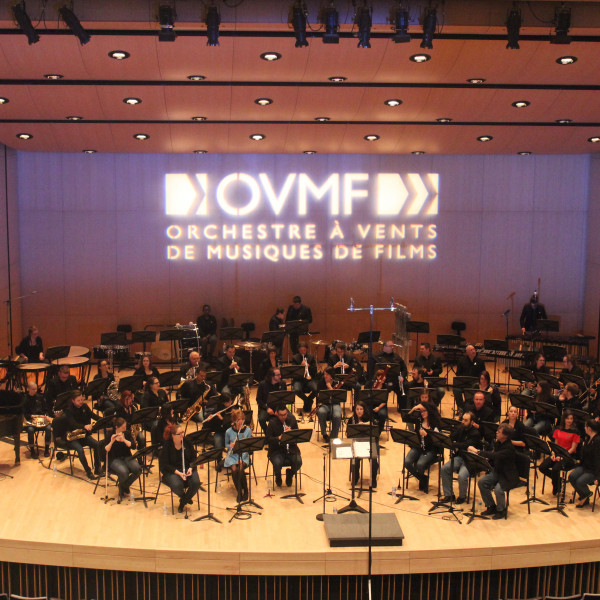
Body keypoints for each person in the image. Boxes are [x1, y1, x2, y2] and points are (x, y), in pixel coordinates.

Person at [470, 423, 520, 519]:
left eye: (499, 432)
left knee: (498, 489)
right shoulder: (498, 443)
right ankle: (491, 506)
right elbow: (493, 455)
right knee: (482, 482)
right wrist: (488, 459)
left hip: (508, 475)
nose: (496, 432)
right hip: (498, 471)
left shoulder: (509, 448)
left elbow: (495, 455)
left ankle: (501, 510)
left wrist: (477, 451)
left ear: (505, 436)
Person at [440, 411, 482, 504]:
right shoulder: (461, 428)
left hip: (470, 460)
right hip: (460, 456)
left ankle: (462, 496)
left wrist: (455, 444)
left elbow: (466, 445)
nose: (462, 422)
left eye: (466, 420)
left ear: (472, 422)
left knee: (462, 476)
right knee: (444, 469)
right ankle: (449, 495)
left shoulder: (475, 433)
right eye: (463, 419)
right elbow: (451, 438)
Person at [159, 422, 201, 513]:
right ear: (173, 436)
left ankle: (183, 502)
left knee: (196, 483)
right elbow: (165, 465)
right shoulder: (167, 445)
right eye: (179, 434)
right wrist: (178, 473)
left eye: (182, 432)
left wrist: (191, 468)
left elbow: (194, 457)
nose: (182, 435)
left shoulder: (186, 442)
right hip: (173, 471)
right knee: (177, 485)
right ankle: (186, 498)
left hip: (187, 468)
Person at [539, 409, 580, 496]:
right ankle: (558, 479)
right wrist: (553, 454)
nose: (569, 420)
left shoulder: (575, 432)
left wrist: (563, 456)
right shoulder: (558, 429)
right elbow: (555, 444)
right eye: (568, 418)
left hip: (568, 456)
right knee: (542, 467)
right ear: (564, 419)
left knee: (555, 469)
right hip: (557, 453)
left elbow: (573, 448)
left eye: (571, 418)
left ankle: (556, 486)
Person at [405, 400, 443, 493]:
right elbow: (406, 418)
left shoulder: (435, 424)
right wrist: (414, 409)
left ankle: (422, 482)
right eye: (421, 411)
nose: (422, 413)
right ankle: (423, 478)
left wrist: (427, 435)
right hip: (418, 447)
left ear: (429, 411)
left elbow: (437, 441)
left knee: (420, 464)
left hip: (430, 450)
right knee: (407, 462)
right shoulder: (419, 420)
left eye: (424, 411)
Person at [101, 417, 142, 502]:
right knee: (124, 472)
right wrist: (112, 441)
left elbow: (133, 446)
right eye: (123, 427)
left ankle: (123, 486)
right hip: (114, 459)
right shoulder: (110, 434)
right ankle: (123, 489)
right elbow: (106, 450)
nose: (125, 428)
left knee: (138, 469)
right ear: (117, 427)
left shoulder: (126, 433)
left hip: (127, 457)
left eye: (125, 426)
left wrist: (124, 440)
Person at [64, 389, 101, 480]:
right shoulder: (68, 410)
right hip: (72, 436)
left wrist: (103, 419)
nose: (81, 402)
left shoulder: (84, 406)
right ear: (73, 401)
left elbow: (92, 415)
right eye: (78, 400)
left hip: (82, 435)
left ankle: (97, 469)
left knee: (97, 445)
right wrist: (84, 426)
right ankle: (88, 471)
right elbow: (73, 424)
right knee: (80, 450)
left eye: (82, 399)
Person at [266, 405, 302, 487]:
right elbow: (267, 439)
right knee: (277, 463)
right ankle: (278, 476)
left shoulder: (292, 420)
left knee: (298, 462)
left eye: (285, 414)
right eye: (281, 415)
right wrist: (278, 438)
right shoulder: (272, 423)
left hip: (291, 449)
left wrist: (291, 433)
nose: (284, 417)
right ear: (277, 414)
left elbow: (297, 435)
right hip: (277, 450)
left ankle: (290, 474)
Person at [347, 401, 379, 489]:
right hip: (357, 443)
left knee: (373, 459)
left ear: (364, 410)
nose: (359, 411)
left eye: (361, 409)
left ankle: (373, 479)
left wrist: (365, 424)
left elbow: (376, 430)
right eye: (357, 409)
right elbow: (347, 434)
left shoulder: (369, 418)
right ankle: (356, 477)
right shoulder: (352, 420)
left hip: (369, 443)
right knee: (355, 459)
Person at [568, 420, 600, 508]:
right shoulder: (587, 438)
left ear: (589, 428)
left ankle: (586, 494)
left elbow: (598, 460)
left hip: (594, 470)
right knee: (572, 477)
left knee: (579, 482)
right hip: (585, 466)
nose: (584, 428)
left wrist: (598, 477)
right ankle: (584, 496)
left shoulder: (598, 441)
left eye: (585, 427)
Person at [223, 407, 252, 502]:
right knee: (234, 469)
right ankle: (239, 491)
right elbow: (226, 445)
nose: (241, 422)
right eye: (238, 420)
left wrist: (241, 459)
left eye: (242, 420)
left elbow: (248, 447)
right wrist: (230, 445)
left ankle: (246, 491)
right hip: (232, 455)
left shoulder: (248, 431)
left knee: (240, 468)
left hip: (244, 455)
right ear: (234, 421)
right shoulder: (228, 431)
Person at [370, 339, 408, 408]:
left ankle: (403, 408)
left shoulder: (397, 357)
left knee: (405, 384)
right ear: (384, 347)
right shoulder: (376, 357)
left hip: (395, 380)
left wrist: (402, 376)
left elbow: (404, 369)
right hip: (382, 381)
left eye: (393, 346)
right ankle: (380, 407)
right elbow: (371, 370)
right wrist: (377, 378)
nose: (392, 347)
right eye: (390, 346)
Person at [22, 381, 52, 458]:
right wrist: (32, 416)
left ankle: (46, 449)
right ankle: (32, 450)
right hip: (31, 421)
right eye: (33, 389)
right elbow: (25, 414)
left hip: (41, 420)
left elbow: (46, 409)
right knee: (30, 430)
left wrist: (45, 415)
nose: (35, 391)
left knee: (48, 428)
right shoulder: (25, 399)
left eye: (36, 389)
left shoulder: (40, 397)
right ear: (28, 389)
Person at [455, 345, 486, 413]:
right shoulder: (461, 361)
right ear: (467, 352)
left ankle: (469, 408)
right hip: (463, 384)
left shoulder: (480, 361)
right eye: (471, 350)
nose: (473, 351)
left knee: (472, 391)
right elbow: (458, 373)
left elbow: (483, 374)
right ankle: (461, 408)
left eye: (474, 349)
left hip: (475, 385)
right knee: (456, 390)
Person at [292, 342, 318, 419]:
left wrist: (309, 366)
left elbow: (315, 370)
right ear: (299, 350)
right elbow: (293, 371)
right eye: (301, 350)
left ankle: (307, 401)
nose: (303, 352)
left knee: (316, 389)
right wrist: (300, 366)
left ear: (306, 349)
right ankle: (308, 401)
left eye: (304, 350)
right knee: (296, 390)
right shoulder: (295, 358)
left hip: (309, 379)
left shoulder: (311, 357)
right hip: (299, 379)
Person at [256, 367, 286, 433]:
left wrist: (278, 409)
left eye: (280, 374)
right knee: (261, 419)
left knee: (291, 417)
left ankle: (284, 433)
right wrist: (267, 408)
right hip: (266, 408)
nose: (280, 376)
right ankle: (268, 434)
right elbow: (259, 400)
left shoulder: (282, 384)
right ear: (272, 376)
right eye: (278, 375)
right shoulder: (262, 384)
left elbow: (284, 399)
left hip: (279, 407)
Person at [316, 368, 343, 443]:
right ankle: (324, 434)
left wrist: (329, 387)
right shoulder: (321, 382)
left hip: (335, 404)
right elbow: (318, 396)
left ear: (331, 376)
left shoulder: (337, 382)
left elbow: (338, 396)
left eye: (327, 374)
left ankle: (333, 436)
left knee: (337, 415)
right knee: (321, 412)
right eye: (324, 374)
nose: (325, 376)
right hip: (324, 404)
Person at [141, 377, 168, 446]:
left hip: (162, 416)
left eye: (158, 382)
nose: (158, 384)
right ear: (151, 385)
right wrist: (157, 409)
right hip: (150, 419)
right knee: (157, 425)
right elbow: (145, 409)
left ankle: (168, 444)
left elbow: (167, 404)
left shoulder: (162, 392)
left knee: (174, 423)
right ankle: (156, 446)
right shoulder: (146, 395)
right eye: (156, 383)